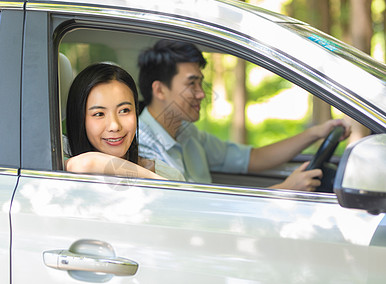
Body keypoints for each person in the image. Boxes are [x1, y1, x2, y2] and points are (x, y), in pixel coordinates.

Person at [137, 39, 351, 191]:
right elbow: (190, 213)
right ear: (160, 90)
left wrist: (316, 133)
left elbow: (254, 158)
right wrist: (285, 190)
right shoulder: (141, 146)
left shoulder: (187, 134)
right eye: (191, 84)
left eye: (201, 83)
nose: (201, 93)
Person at [64, 62, 184, 181]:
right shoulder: (54, 169)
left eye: (124, 110)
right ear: (80, 119)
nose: (115, 126)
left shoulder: (170, 175)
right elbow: (86, 163)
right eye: (99, 114)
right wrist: (158, 181)